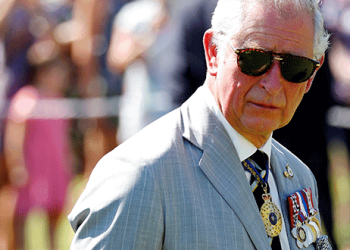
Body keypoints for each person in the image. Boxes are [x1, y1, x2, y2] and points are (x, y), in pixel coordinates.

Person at [68, 0, 332, 249]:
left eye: (296, 67)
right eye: (254, 58)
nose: (273, 85)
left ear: (312, 75)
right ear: (213, 52)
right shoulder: (140, 174)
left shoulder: (298, 176)